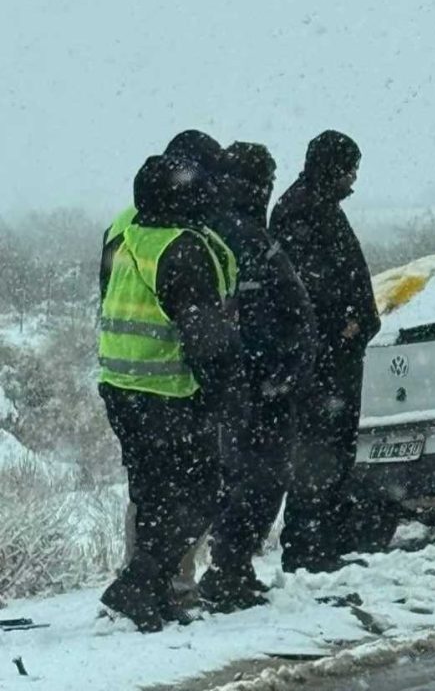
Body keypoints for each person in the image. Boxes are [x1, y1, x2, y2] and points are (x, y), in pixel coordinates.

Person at [97, 151, 246, 632]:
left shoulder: (126, 233)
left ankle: (148, 589)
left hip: (121, 386)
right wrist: (230, 394)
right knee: (200, 494)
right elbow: (206, 339)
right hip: (169, 392)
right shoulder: (184, 248)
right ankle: (139, 584)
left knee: (154, 493)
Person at [199, 142, 317, 611]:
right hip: (259, 381)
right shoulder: (248, 236)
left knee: (236, 476)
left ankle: (228, 567)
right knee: (262, 477)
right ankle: (229, 569)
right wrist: (284, 368)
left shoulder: (208, 230)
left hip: (230, 381)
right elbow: (286, 308)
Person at [270, 130, 380, 573]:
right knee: (318, 453)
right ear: (331, 166)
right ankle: (308, 547)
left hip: (334, 358)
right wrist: (345, 323)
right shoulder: (301, 210)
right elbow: (308, 289)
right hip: (322, 361)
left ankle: (325, 543)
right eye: (349, 168)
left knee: (333, 452)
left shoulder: (317, 206)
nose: (353, 179)